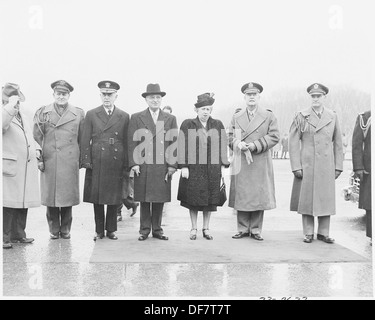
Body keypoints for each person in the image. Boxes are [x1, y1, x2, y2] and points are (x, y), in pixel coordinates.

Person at [289, 83, 343, 244]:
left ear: (324, 97)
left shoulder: (332, 116)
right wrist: (296, 166)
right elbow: (293, 143)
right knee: (307, 199)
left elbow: (338, 143)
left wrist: (338, 165)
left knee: (325, 199)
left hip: (326, 165)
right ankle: (308, 232)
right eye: (313, 96)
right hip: (307, 164)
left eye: (318, 96)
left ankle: (323, 233)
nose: (315, 99)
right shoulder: (301, 116)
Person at [33, 80, 85, 240]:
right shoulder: (42, 112)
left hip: (69, 161)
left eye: (64, 94)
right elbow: (36, 137)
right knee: (51, 196)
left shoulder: (78, 113)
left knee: (67, 196)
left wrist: (81, 160)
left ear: (69, 95)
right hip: (50, 159)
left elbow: (82, 139)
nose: (61, 96)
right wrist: (40, 159)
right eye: (58, 93)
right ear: (53, 94)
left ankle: (66, 229)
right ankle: (53, 229)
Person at [228, 82, 280, 241]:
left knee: (258, 194)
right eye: (248, 95)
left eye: (254, 95)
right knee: (243, 194)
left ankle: (256, 229)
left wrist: (255, 145)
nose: (251, 97)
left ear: (259, 97)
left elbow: (274, 136)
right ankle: (242, 228)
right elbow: (229, 136)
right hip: (242, 160)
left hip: (260, 160)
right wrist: (238, 144)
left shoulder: (269, 116)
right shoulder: (236, 116)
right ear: (244, 97)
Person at [128, 83, 178, 241]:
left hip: (162, 164)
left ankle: (157, 229)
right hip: (143, 164)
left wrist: (172, 165)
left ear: (161, 99)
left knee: (159, 198)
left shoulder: (170, 118)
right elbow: (132, 142)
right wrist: (134, 163)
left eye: (158, 97)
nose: (155, 100)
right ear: (146, 100)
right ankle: (144, 230)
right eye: (152, 98)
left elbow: (174, 143)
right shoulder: (136, 117)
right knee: (144, 198)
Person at [80, 81, 129, 241]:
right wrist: (86, 160)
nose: (107, 97)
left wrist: (127, 163)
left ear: (116, 96)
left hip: (116, 161)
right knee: (98, 198)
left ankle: (111, 230)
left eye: (110, 94)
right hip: (98, 160)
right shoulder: (92, 114)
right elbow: (85, 139)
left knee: (114, 197)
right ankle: (99, 230)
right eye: (104, 94)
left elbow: (126, 141)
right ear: (100, 95)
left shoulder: (123, 116)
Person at [177, 93, 230, 240]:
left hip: (212, 169)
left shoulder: (217, 124)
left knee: (210, 201)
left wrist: (223, 165)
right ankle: (193, 228)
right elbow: (181, 145)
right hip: (193, 169)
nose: (206, 112)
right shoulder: (188, 124)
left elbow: (222, 145)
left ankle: (206, 228)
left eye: (208, 109)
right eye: (203, 109)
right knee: (192, 200)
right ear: (196, 110)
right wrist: (184, 166)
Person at [2, 83, 40, 249]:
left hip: (25, 165)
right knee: (9, 203)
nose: (17, 103)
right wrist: (10, 106)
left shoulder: (23, 114)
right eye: (13, 98)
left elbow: (29, 135)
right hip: (10, 164)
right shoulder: (5, 112)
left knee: (22, 201)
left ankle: (19, 234)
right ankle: (5, 237)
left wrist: (37, 149)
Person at [352, 110, 371, 240]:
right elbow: (357, 144)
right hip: (370, 168)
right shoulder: (366, 118)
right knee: (371, 204)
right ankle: (372, 235)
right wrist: (358, 167)